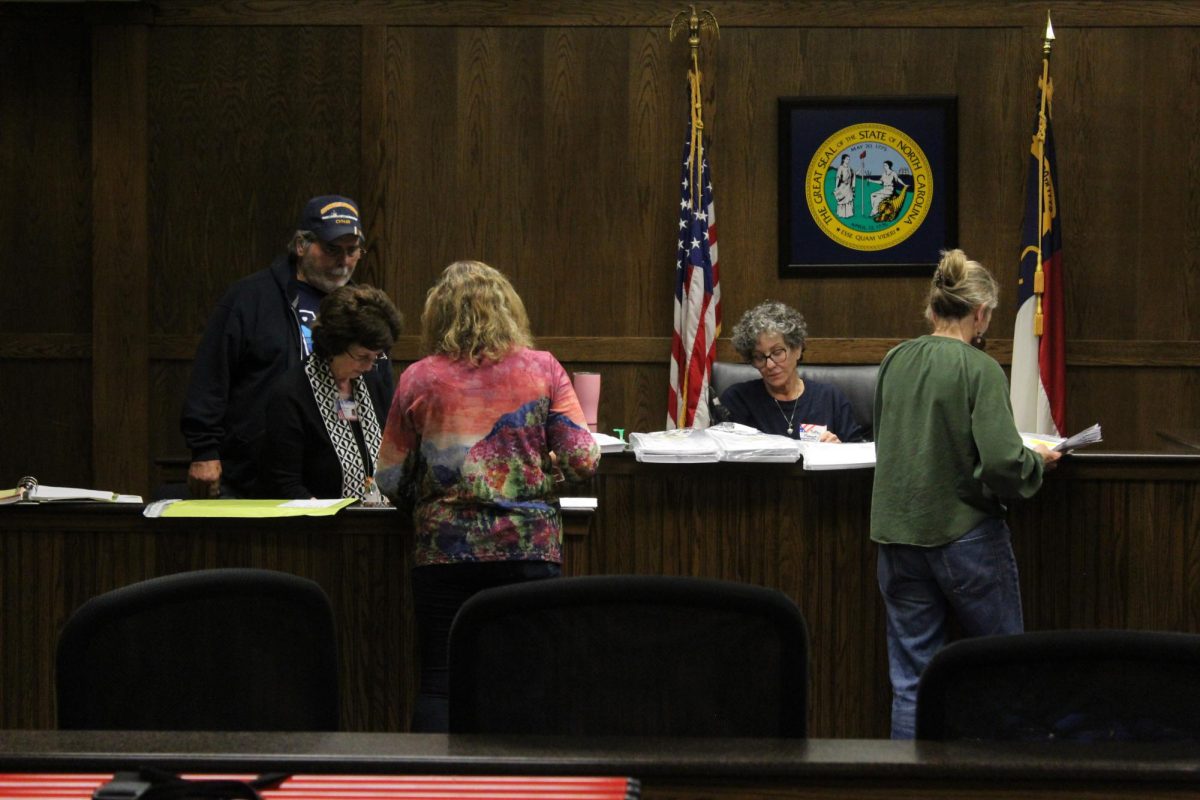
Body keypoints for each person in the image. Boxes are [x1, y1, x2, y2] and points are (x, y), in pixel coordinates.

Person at [375, 259, 600, 732]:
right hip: (528, 547)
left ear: (438, 315)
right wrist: (544, 473)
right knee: (529, 677)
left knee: (440, 679)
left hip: (442, 551)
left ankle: (433, 788)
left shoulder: (417, 377)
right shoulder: (543, 369)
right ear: (508, 311)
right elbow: (583, 459)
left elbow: (391, 479)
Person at [870, 248, 1061, 739]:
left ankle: (908, 789)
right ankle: (1003, 783)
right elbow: (1000, 461)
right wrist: (1034, 463)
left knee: (911, 681)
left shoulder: (895, 360)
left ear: (934, 309)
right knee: (1002, 669)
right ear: (980, 313)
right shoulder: (979, 369)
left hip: (897, 539)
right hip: (966, 539)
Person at [180, 195, 393, 498]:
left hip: (342, 479)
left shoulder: (367, 310)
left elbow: (382, 389)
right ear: (301, 245)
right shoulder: (250, 299)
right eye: (332, 249)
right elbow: (210, 378)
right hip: (255, 472)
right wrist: (204, 450)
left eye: (352, 251)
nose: (344, 261)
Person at [258, 286, 403, 499]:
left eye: (377, 356)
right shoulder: (291, 393)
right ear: (333, 344)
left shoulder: (372, 380)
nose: (369, 366)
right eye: (363, 356)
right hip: (319, 524)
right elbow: (284, 483)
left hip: (376, 518)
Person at [718, 301, 864, 442]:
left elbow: (858, 454)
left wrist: (838, 451)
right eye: (759, 357)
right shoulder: (738, 400)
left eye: (777, 352)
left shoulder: (830, 399)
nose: (769, 365)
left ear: (797, 349)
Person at [834, 154, 855, 218]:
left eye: (849, 159)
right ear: (843, 159)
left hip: (848, 187)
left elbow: (852, 176)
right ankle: (841, 214)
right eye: (847, 159)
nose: (848, 160)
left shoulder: (849, 168)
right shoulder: (841, 167)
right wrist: (836, 186)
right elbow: (838, 177)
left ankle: (848, 214)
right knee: (842, 200)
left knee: (848, 200)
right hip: (843, 186)